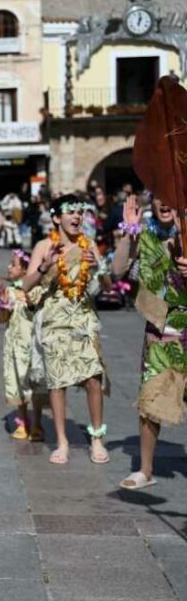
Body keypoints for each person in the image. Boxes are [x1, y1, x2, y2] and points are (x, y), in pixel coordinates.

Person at [23, 195, 109, 465]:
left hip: (83, 318)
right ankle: (61, 441)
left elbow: (106, 285)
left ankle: (96, 438)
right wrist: (45, 266)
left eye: (80, 212)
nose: (76, 217)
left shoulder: (90, 244)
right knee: (57, 382)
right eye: (70, 212)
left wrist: (98, 269)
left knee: (94, 378)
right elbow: (26, 285)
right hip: (54, 320)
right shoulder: (44, 245)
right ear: (57, 218)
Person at [112, 195, 186, 489]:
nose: (164, 203)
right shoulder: (145, 233)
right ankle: (145, 469)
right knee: (150, 398)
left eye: (171, 196)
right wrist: (128, 234)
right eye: (159, 197)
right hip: (160, 328)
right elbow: (117, 270)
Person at [0, 249, 47, 441]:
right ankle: (22, 420)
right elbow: (4, 319)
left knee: (33, 384)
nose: (9, 267)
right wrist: (3, 307)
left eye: (14, 264)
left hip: (30, 345)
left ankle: (37, 422)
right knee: (17, 383)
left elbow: (39, 314)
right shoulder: (9, 291)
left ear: (26, 269)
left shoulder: (36, 290)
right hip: (13, 346)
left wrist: (31, 304)